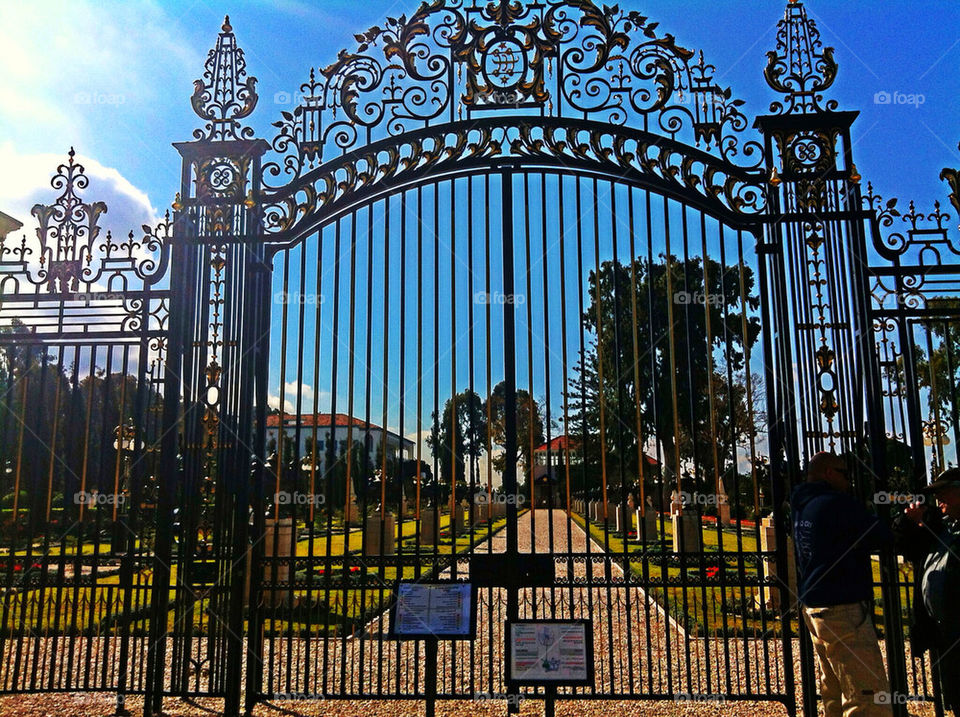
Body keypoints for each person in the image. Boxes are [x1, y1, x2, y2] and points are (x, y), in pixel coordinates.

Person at [791, 451, 894, 716]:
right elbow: (881, 536)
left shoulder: (801, 503)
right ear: (828, 473)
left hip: (814, 605)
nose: (849, 481)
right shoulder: (836, 503)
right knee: (867, 695)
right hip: (842, 607)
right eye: (844, 474)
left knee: (833, 686)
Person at [893, 467, 960, 716]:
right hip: (945, 633)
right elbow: (904, 545)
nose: (939, 499)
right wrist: (911, 522)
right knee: (954, 693)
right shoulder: (941, 527)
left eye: (945, 492)